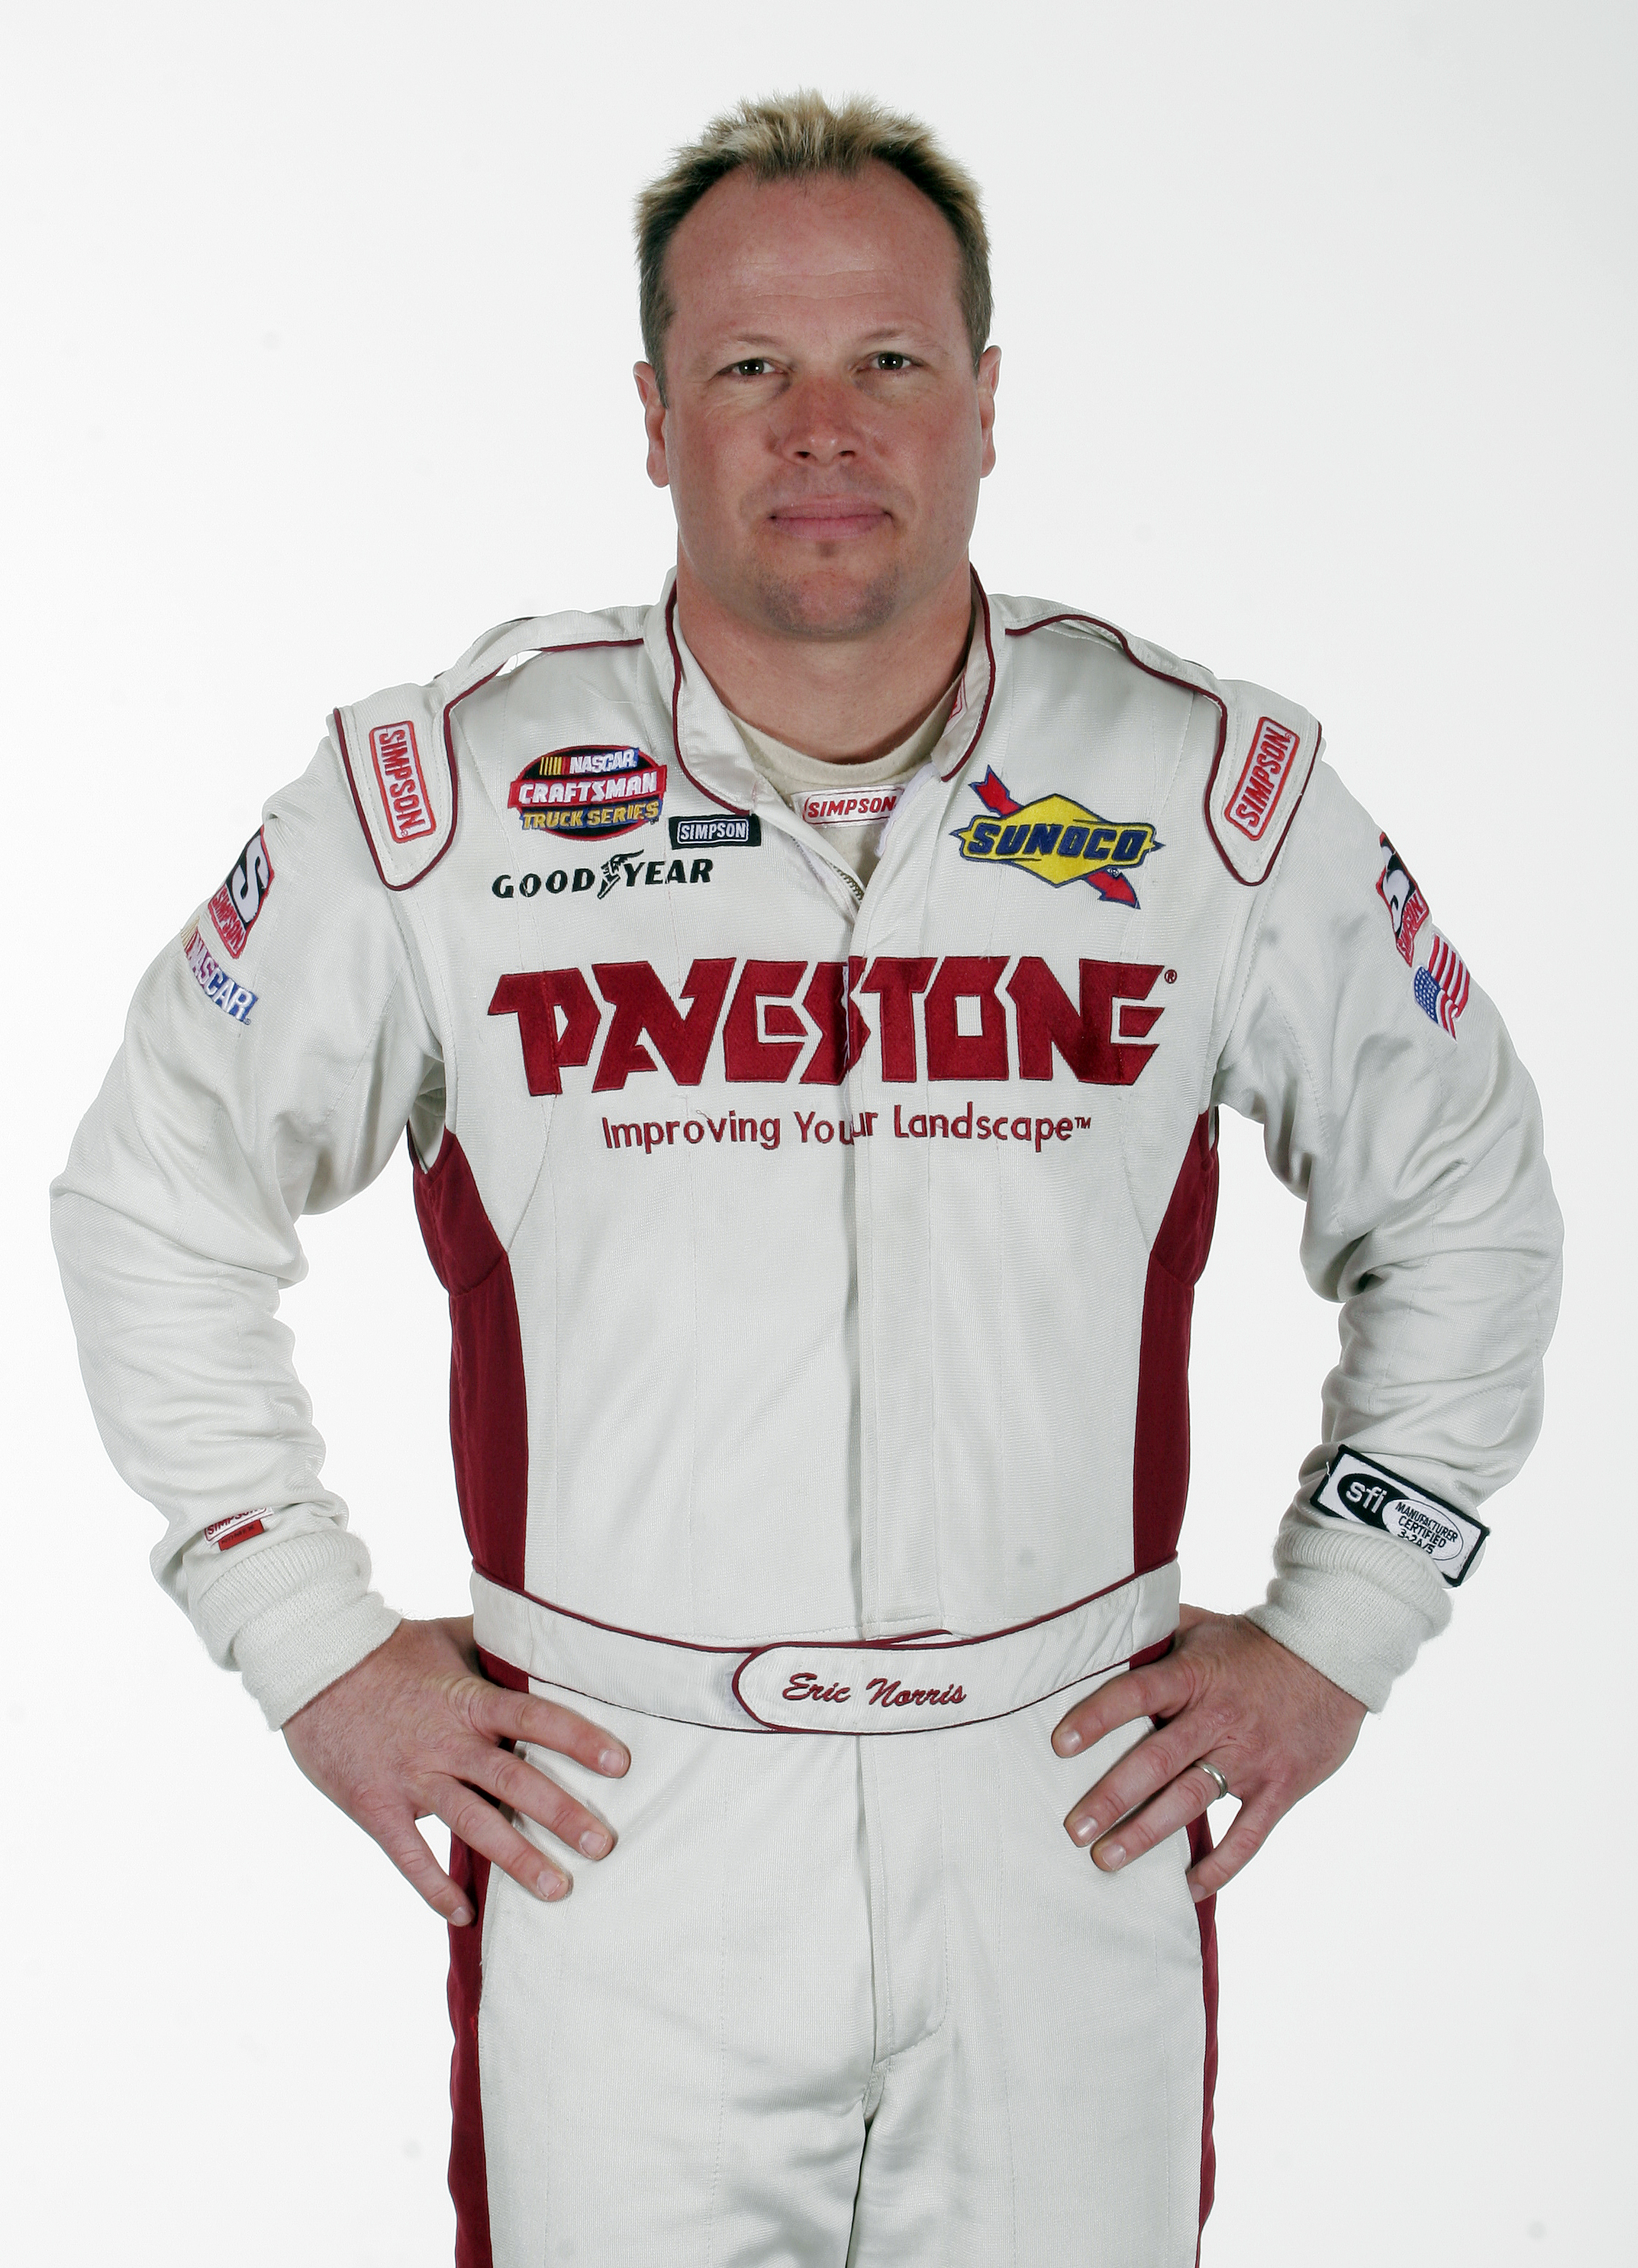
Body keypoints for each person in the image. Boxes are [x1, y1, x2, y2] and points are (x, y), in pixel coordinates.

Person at [51, 91, 1561, 2268]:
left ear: (986, 404)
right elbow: (152, 1200)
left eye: (889, 363)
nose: (822, 428)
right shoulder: (438, 799)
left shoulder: (1208, 791)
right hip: (617, 1819)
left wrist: (1342, 1627)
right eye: (752, 367)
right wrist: (302, 1637)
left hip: (1061, 1805)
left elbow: (1464, 1205)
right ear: (654, 413)